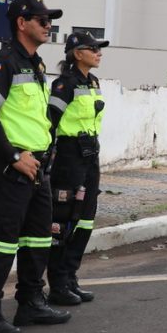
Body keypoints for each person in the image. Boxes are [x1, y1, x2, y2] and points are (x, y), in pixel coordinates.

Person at [0, 0, 72, 333]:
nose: (49, 26)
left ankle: (30, 302)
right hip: (12, 168)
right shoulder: (3, 64)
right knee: (0, 243)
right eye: (43, 20)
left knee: (38, 240)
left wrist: (49, 152)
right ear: (22, 23)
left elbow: (36, 118)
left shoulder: (37, 66)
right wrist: (14, 156)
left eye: (50, 21)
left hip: (38, 167)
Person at [46, 31, 108, 306]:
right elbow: (50, 121)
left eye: (99, 49)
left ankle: (70, 277)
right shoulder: (64, 84)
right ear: (77, 53)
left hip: (90, 153)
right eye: (93, 48)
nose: (99, 53)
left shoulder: (92, 82)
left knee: (86, 217)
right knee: (64, 220)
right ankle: (57, 283)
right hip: (69, 156)